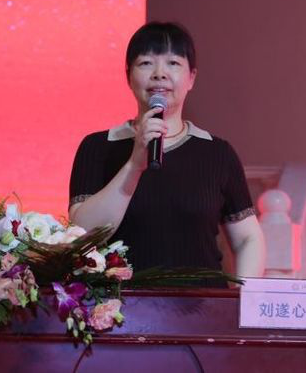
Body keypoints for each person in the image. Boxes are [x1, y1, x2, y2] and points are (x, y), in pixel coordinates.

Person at [68, 22, 265, 280]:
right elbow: (83, 234)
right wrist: (134, 165)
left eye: (173, 63)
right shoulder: (98, 147)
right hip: (119, 302)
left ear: (191, 77)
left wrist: (243, 297)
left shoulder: (217, 153)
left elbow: (248, 239)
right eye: (146, 63)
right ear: (128, 76)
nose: (159, 74)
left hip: (201, 302)